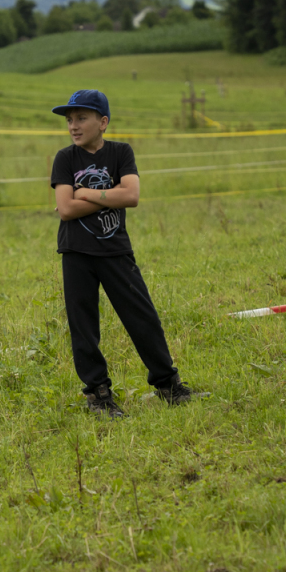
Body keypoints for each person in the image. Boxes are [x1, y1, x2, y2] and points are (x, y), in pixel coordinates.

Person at [50, 89, 192, 418]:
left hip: (115, 250)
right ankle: (98, 395)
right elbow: (66, 209)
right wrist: (106, 194)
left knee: (143, 318)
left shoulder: (120, 152)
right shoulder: (65, 158)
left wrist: (85, 192)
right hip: (76, 252)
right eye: (69, 120)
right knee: (84, 326)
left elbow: (132, 196)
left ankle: (168, 386)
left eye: (81, 118)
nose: (73, 126)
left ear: (103, 122)